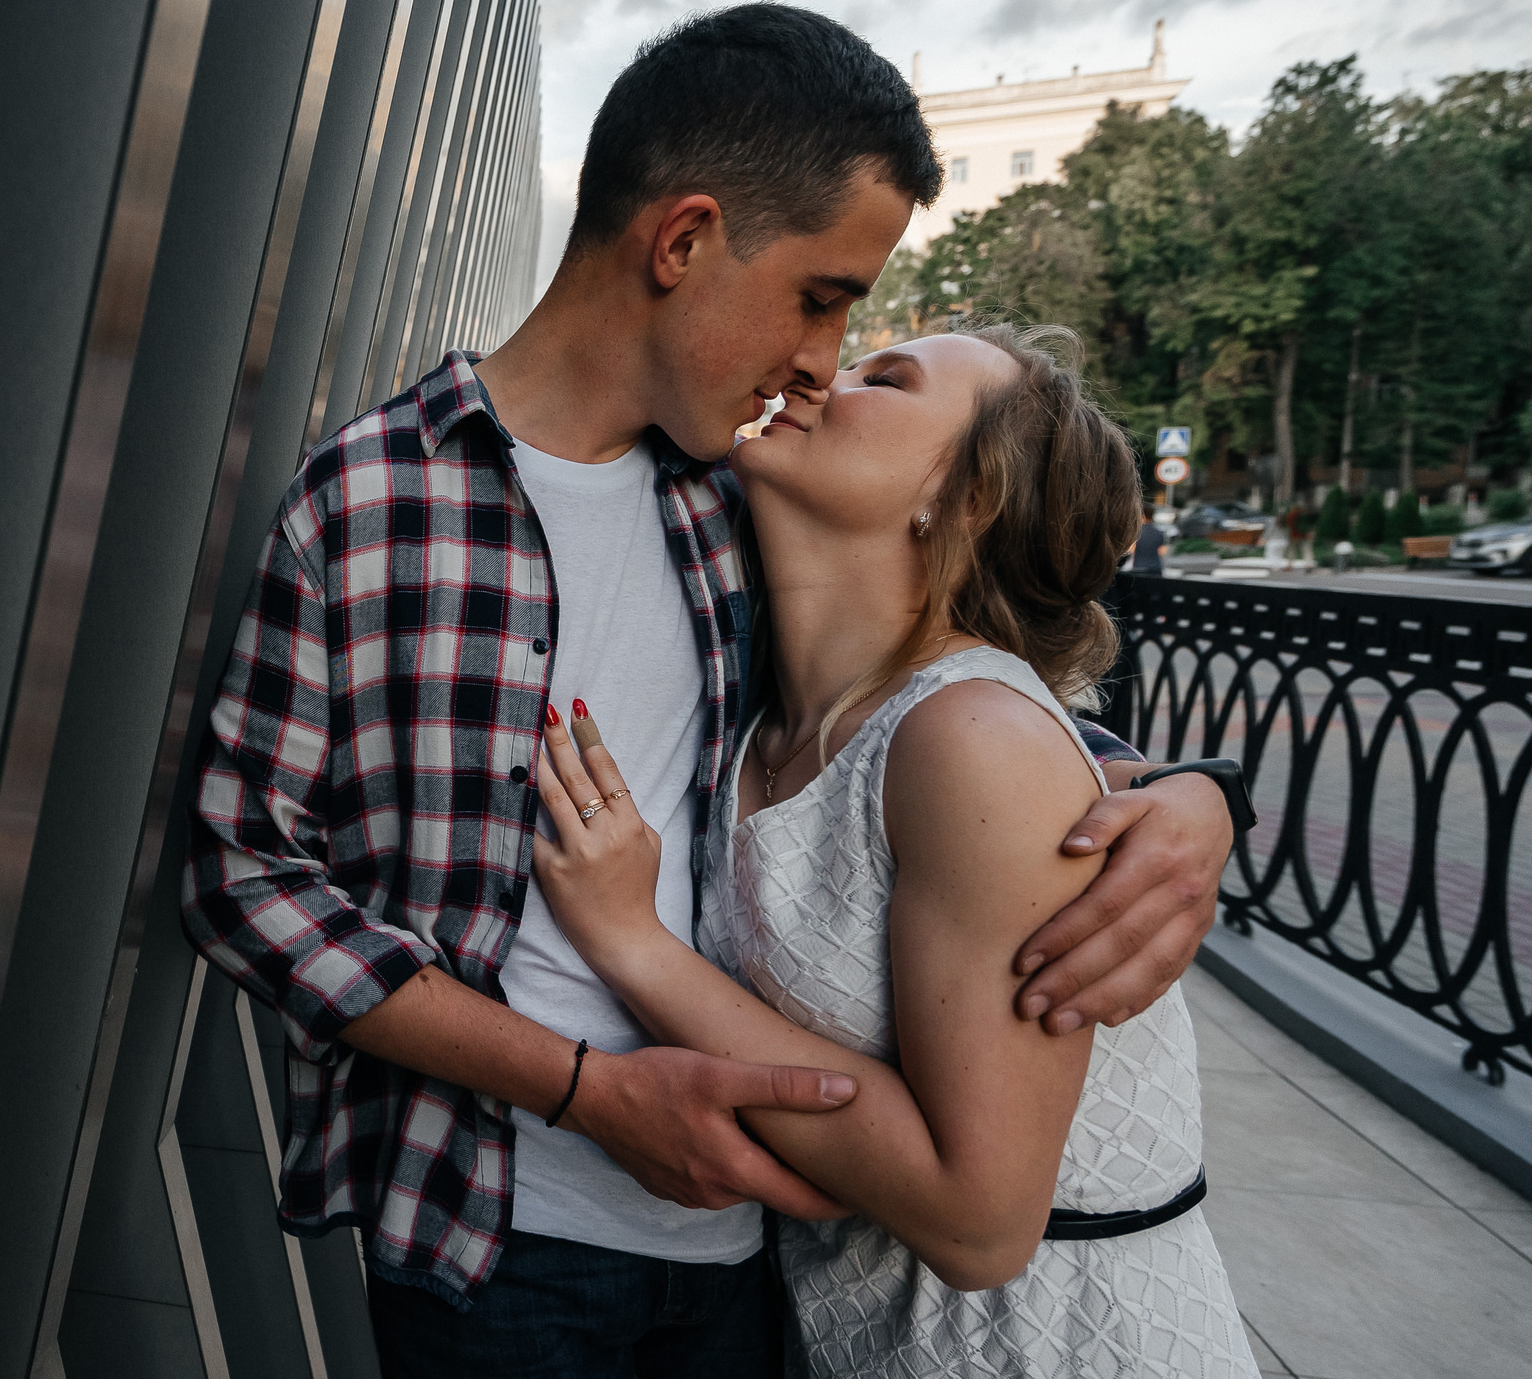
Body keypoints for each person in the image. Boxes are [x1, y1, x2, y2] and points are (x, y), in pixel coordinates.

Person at [182, 4, 1236, 1377]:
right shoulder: (371, 501)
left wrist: (1190, 800)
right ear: (681, 241)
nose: (820, 362)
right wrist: (587, 1091)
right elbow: (241, 873)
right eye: (822, 298)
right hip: (489, 1241)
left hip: (757, 1259)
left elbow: (940, 695)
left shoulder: (733, 511)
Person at [532, 324, 1256, 1376]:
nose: (827, 371)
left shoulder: (973, 738)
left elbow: (981, 1220)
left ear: (966, 500)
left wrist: (636, 947)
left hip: (1052, 1343)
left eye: (888, 377)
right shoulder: (757, 718)